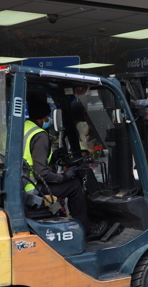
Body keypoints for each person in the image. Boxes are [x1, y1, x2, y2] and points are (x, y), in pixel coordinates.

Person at [24, 93, 91, 233]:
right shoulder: (39, 135)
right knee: (74, 185)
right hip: (32, 187)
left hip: (21, 183)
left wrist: (53, 157)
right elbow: (41, 173)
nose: (48, 119)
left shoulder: (24, 128)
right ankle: (84, 229)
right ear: (41, 117)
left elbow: (29, 158)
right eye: (46, 117)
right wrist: (64, 176)